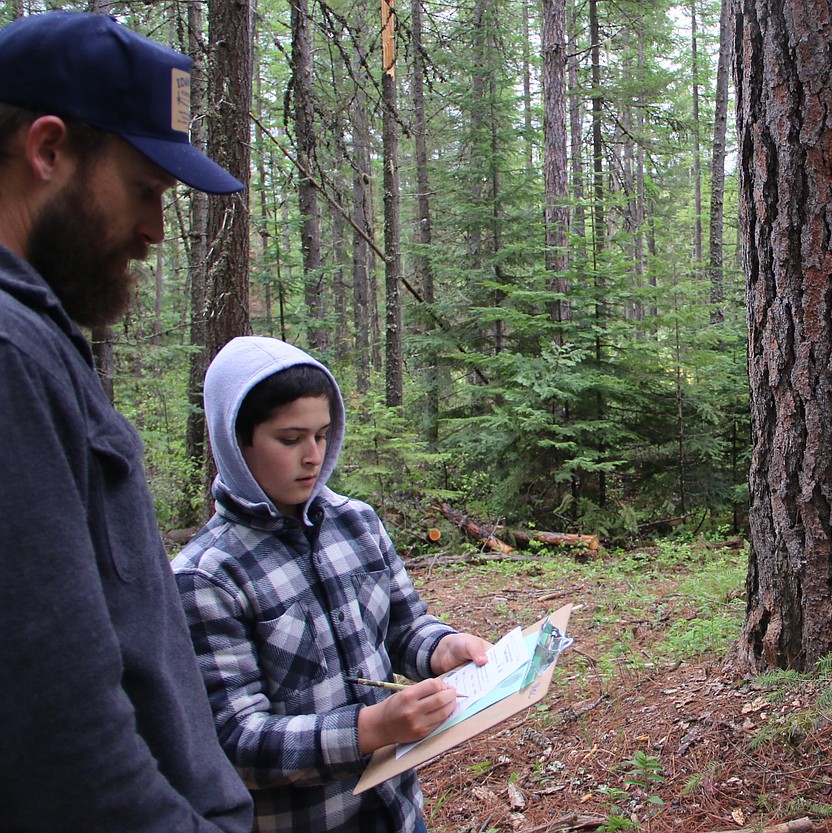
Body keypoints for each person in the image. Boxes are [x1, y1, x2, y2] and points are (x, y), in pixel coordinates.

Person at [0, 11, 253, 833]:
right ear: (48, 150)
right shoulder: (9, 355)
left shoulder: (36, 340)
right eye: (144, 189)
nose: (153, 230)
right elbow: (59, 736)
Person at [172, 335, 493, 833]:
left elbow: (405, 627)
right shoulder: (206, 576)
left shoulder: (356, 523)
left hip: (397, 809)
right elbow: (236, 740)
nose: (313, 456)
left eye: (322, 435)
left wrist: (444, 648)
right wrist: (370, 729)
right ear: (236, 442)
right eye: (290, 438)